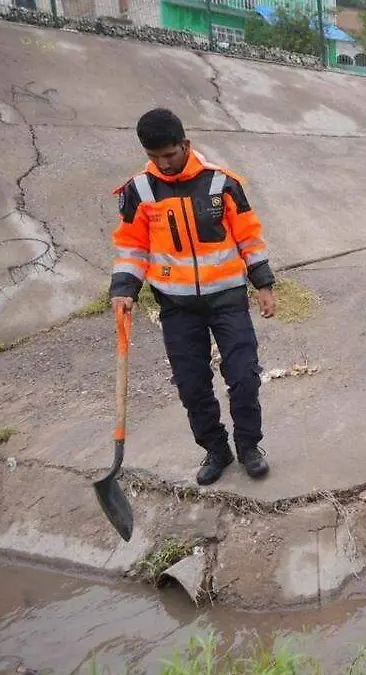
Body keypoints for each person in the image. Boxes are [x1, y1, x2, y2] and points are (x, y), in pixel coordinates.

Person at [109, 108, 276, 486]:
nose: (163, 164)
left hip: (228, 298)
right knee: (191, 383)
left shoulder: (222, 183)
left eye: (169, 155)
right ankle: (216, 450)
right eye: (154, 157)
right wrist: (124, 289)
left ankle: (249, 447)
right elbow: (132, 248)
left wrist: (263, 285)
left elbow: (249, 238)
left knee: (244, 376)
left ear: (185, 144)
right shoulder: (140, 190)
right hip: (177, 305)